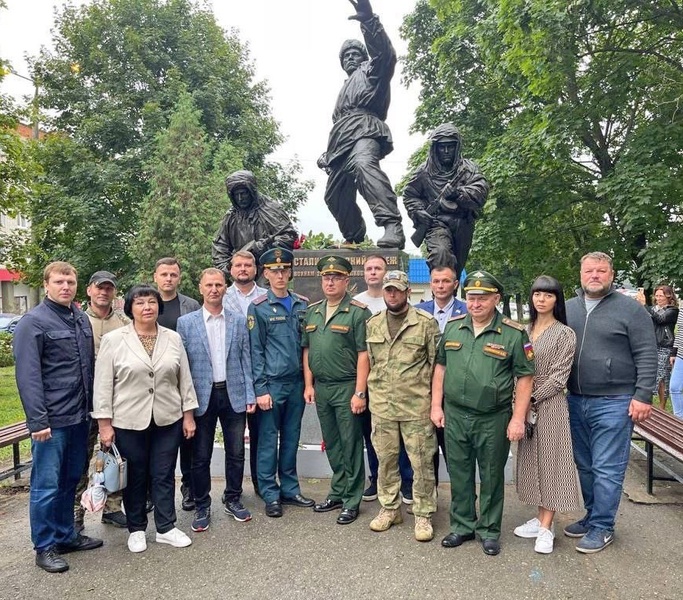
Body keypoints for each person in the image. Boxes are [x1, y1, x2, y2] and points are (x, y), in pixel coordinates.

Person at [432, 270, 534, 556]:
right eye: (471, 298)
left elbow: (526, 377)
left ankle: (489, 530)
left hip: (493, 417)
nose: (475, 304)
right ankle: (462, 525)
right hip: (455, 414)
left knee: (491, 475)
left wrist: (518, 417)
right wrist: (436, 406)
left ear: (496, 299)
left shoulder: (513, 333)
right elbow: (440, 367)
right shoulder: (453, 327)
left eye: (482, 298)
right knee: (460, 472)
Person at [93, 284, 198, 554]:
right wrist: (104, 424)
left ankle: (166, 527)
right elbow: (103, 384)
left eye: (151, 302)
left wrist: (188, 416)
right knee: (136, 476)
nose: (147, 307)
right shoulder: (115, 340)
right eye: (139, 303)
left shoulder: (172, 338)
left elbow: (183, 378)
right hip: (128, 420)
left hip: (168, 418)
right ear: (130, 308)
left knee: (164, 474)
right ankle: (137, 528)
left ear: (158, 307)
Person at [13, 261, 103, 573]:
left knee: (69, 481)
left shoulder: (79, 318)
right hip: (51, 423)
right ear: (47, 284)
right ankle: (44, 545)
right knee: (46, 485)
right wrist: (38, 421)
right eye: (59, 282)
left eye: (70, 281)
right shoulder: (33, 323)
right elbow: (28, 377)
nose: (65, 287)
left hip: (79, 417)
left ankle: (66, 535)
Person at [564, 252, 656, 553]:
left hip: (614, 401)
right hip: (575, 399)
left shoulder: (631, 310)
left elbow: (647, 353)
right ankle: (592, 515)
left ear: (611, 274)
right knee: (585, 465)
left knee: (607, 467)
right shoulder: (568, 309)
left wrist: (643, 395)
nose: (594, 275)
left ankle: (603, 527)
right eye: (589, 270)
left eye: (601, 271)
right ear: (580, 274)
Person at [317, 0, 405, 249]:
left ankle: (392, 225)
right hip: (341, 140)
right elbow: (340, 125)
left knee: (364, 165)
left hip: (366, 129)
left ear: (364, 57)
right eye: (346, 56)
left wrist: (369, 21)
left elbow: (386, 54)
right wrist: (328, 153)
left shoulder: (371, 72)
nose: (351, 58)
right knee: (335, 195)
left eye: (356, 54)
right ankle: (353, 236)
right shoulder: (344, 88)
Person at [177, 268, 256, 532]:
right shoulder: (186, 323)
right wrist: (186, 404)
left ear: (225, 288)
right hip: (201, 396)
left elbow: (246, 360)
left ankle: (232, 497)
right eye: (209, 285)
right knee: (200, 456)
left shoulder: (237, 320)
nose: (214, 289)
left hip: (232, 394)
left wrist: (249, 395)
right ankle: (202, 504)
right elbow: (183, 367)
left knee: (236, 452)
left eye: (219, 285)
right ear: (200, 288)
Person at [366, 271, 440, 542]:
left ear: (408, 292)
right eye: (388, 290)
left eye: (397, 290)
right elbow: (372, 363)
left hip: (416, 407)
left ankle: (422, 513)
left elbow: (435, 366)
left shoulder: (425, 323)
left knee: (421, 462)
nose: (392, 294)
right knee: (385, 461)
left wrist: (434, 404)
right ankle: (389, 508)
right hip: (383, 406)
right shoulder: (373, 324)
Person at [514, 275, 581, 554]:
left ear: (557, 299)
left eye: (548, 295)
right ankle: (540, 517)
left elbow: (558, 378)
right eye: (537, 294)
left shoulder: (565, 334)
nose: (541, 299)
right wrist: (518, 402)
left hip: (550, 405)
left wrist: (530, 398)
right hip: (522, 404)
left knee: (551, 463)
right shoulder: (523, 331)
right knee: (531, 462)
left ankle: (546, 527)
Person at [303, 256, 371, 525]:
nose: (330, 282)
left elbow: (364, 354)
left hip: (347, 387)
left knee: (351, 443)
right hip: (322, 388)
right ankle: (338, 491)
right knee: (332, 442)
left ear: (346, 281)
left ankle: (353, 499)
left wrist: (360, 392)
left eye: (336, 277)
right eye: (326, 277)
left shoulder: (357, 312)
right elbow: (307, 350)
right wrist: (308, 384)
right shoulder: (313, 311)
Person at [247, 248, 315, 517]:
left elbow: (307, 346)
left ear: (290, 272)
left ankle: (289, 488)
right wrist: (261, 389)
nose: (280, 275)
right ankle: (270, 492)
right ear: (266, 274)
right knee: (267, 440)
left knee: (291, 438)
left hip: (296, 383)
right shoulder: (259, 308)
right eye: (274, 270)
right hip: (272, 385)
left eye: (284, 270)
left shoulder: (301, 304)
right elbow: (256, 350)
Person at [353, 255, 414, 503]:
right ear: (364, 274)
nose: (373, 272)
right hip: (373, 384)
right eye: (369, 268)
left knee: (403, 438)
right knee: (373, 436)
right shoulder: (357, 304)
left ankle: (406, 483)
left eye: (378, 268)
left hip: (402, 386)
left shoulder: (400, 302)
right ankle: (377, 479)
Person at [74, 270, 130, 532]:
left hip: (116, 400)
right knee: (82, 459)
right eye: (99, 288)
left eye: (109, 288)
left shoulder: (123, 321)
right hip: (84, 401)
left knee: (115, 456)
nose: (104, 292)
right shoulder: (77, 320)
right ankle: (76, 514)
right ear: (89, 290)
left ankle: (112, 507)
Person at [403, 123, 489, 278]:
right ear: (435, 148)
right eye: (442, 147)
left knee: (456, 269)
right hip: (436, 224)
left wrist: (458, 193)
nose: (446, 151)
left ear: (457, 147)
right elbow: (410, 195)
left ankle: (451, 299)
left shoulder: (468, 169)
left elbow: (481, 194)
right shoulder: (424, 172)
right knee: (440, 256)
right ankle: (440, 299)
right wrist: (418, 211)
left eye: (451, 146)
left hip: (463, 224)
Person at [153, 257, 200, 512]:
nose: (168, 279)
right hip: (153, 383)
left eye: (173, 274)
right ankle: (155, 492)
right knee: (157, 442)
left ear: (179, 278)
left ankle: (188, 488)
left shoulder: (190, 305)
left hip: (183, 379)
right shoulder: (147, 302)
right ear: (155, 277)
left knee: (187, 439)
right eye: (164, 274)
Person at [415, 265, 467, 485]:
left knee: (456, 451)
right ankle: (430, 498)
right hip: (423, 390)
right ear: (430, 284)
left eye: (446, 281)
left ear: (455, 284)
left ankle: (462, 501)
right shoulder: (418, 311)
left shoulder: (467, 311)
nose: (440, 286)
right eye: (436, 281)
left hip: (456, 390)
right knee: (426, 451)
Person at [223, 249, 267, 497]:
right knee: (235, 441)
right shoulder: (222, 296)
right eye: (238, 265)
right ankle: (234, 489)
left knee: (261, 437)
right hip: (233, 378)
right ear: (231, 270)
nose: (243, 269)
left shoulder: (266, 296)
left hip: (261, 374)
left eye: (247, 265)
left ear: (255, 269)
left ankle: (261, 484)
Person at [212, 170, 297, 274]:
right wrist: (226, 269)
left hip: (268, 268)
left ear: (251, 191)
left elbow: (288, 236)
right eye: (236, 194)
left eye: (243, 194)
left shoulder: (271, 209)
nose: (240, 198)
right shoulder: (231, 216)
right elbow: (220, 246)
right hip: (241, 270)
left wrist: (262, 247)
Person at [636, 284, 678, 410]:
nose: (658, 298)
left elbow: (660, 319)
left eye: (661, 295)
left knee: (661, 376)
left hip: (665, 345)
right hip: (652, 344)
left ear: (668, 297)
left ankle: (662, 406)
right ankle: (654, 404)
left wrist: (645, 306)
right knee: (657, 375)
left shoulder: (672, 310)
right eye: (657, 295)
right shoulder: (653, 308)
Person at [670, 309, 683, 419]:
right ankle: (679, 419)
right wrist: (674, 352)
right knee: (674, 387)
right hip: (681, 354)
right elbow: (680, 331)